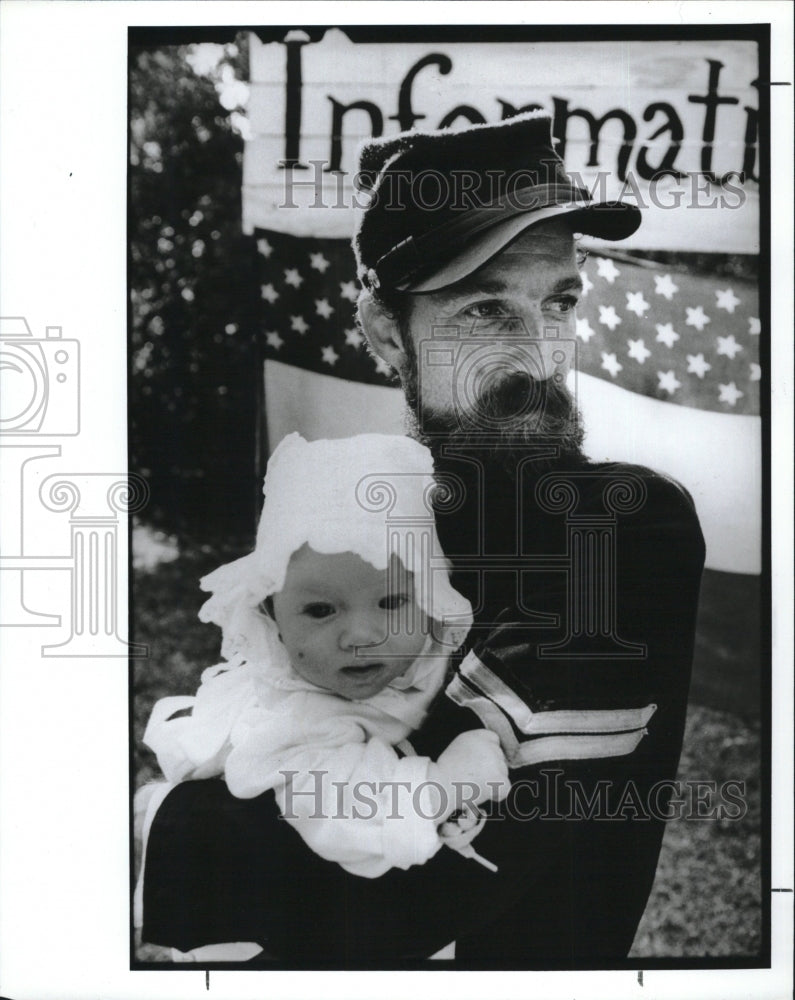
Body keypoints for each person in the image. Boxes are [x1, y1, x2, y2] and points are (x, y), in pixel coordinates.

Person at [139, 111, 705, 966]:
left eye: (557, 302)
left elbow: (415, 878)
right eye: (484, 311)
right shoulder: (367, 525)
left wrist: (160, 821)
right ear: (381, 332)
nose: (538, 355)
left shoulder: (623, 524)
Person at [136, 432, 508, 961]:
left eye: (390, 601)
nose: (360, 635)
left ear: (428, 602)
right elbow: (340, 814)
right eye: (320, 611)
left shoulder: (410, 670)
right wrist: (445, 785)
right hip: (270, 937)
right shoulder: (292, 717)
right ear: (271, 615)